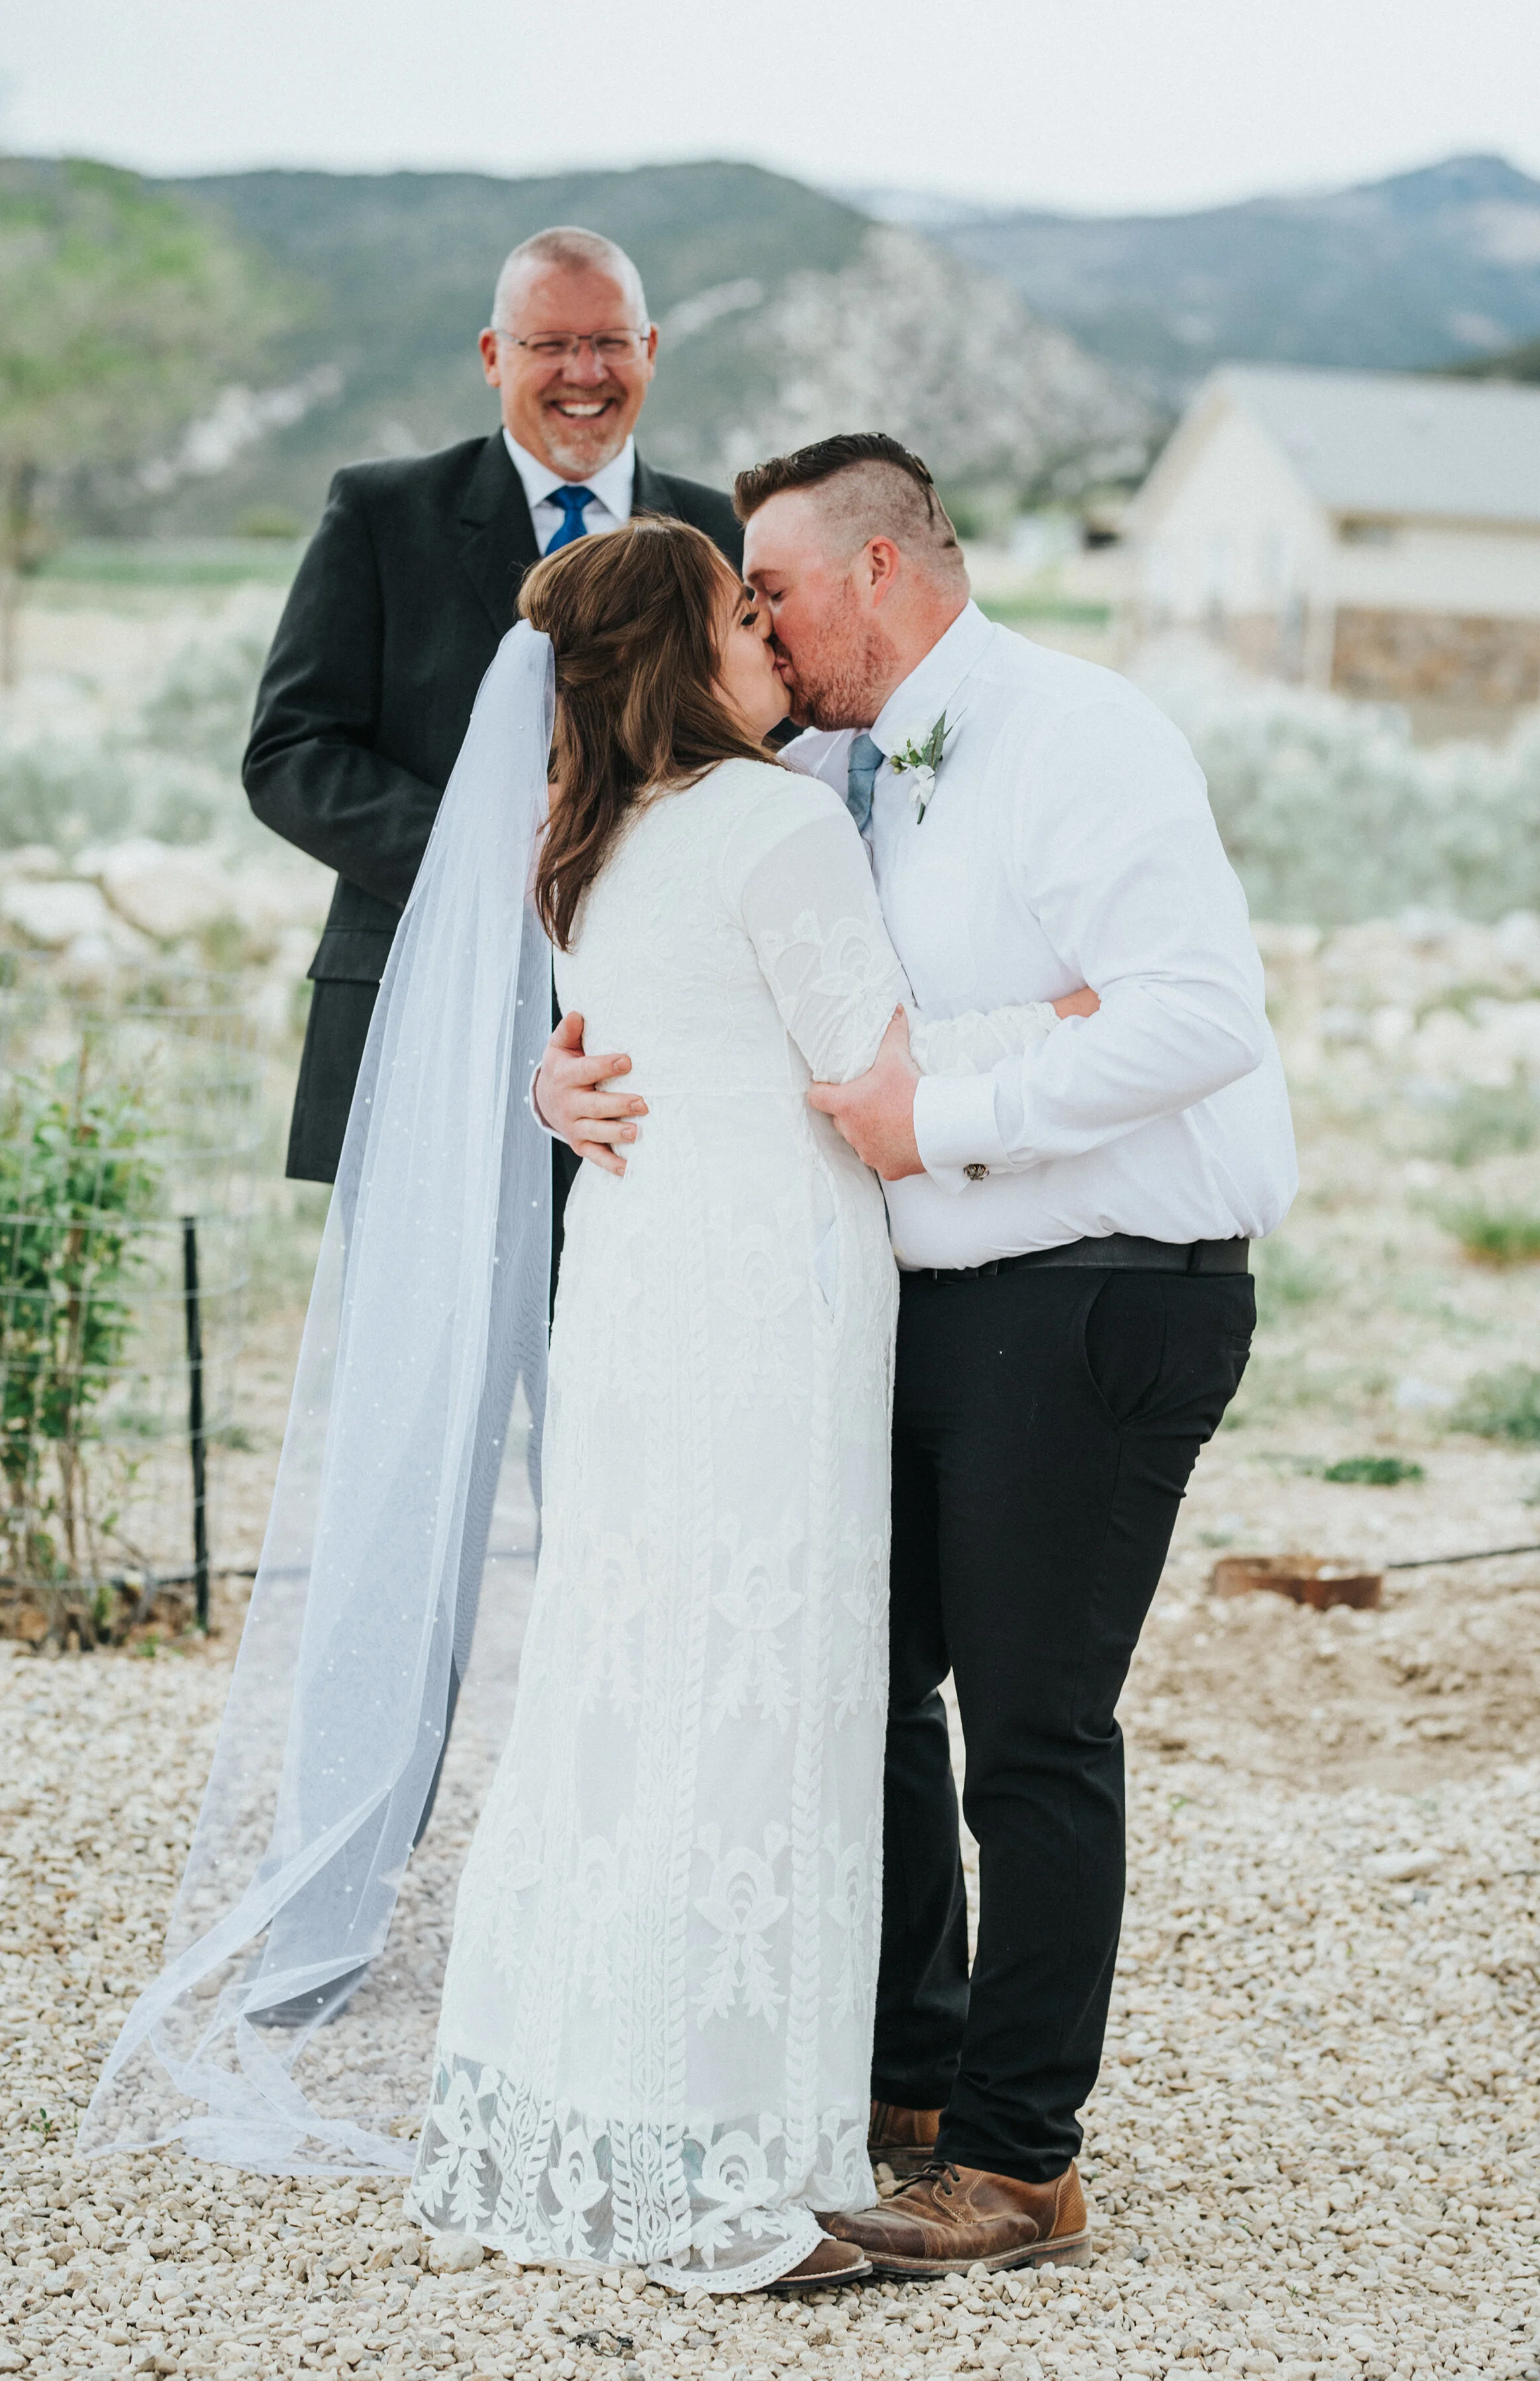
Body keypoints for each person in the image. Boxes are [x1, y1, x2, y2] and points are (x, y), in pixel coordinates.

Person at [535, 433, 1298, 2278]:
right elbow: (740, 985)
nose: (763, 631)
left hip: (1098, 1285)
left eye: (774, 590)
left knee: (1030, 1733)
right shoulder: (818, 766)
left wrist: (947, 1106)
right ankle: (913, 2073)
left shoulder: (1081, 733)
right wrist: (571, 1077)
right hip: (913, 1303)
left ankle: (1021, 2156)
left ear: (877, 572)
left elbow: (1196, 1014)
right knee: (860, 1686)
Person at [403, 518, 1079, 2293]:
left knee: (634, 1677)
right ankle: (725, 2162)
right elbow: (874, 1067)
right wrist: (1067, 1012)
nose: (769, 635)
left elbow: (658, 1034)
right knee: (757, 1688)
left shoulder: (588, 840)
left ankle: (577, 2102)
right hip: (767, 1290)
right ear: (679, 657)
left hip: (634, 1289)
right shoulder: (777, 823)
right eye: (738, 613)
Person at [244, 222, 742, 1200]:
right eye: (549, 345)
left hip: (649, 1042)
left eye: (607, 342)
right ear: (492, 356)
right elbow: (290, 754)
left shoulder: (723, 532)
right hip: (422, 1012)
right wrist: (487, 851)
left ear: (651, 350)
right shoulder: (382, 515)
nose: (583, 372)